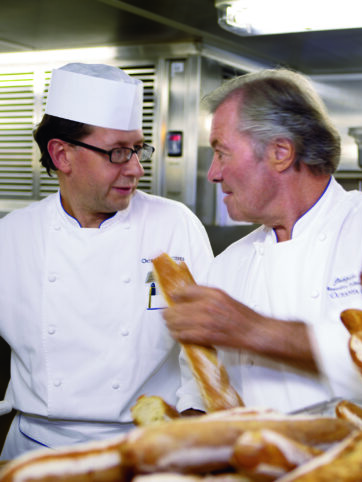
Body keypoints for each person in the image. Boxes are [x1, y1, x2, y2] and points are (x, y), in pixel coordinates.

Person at [164, 68, 362, 415]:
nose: (213, 174)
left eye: (222, 153)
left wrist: (254, 330)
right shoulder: (227, 264)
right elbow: (197, 386)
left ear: (280, 152)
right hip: (253, 464)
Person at [0, 63, 213, 459]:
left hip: (148, 450)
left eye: (137, 149)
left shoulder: (173, 225)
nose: (136, 168)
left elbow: (206, 342)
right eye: (117, 153)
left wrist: (192, 419)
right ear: (62, 155)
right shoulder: (13, 235)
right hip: (35, 451)